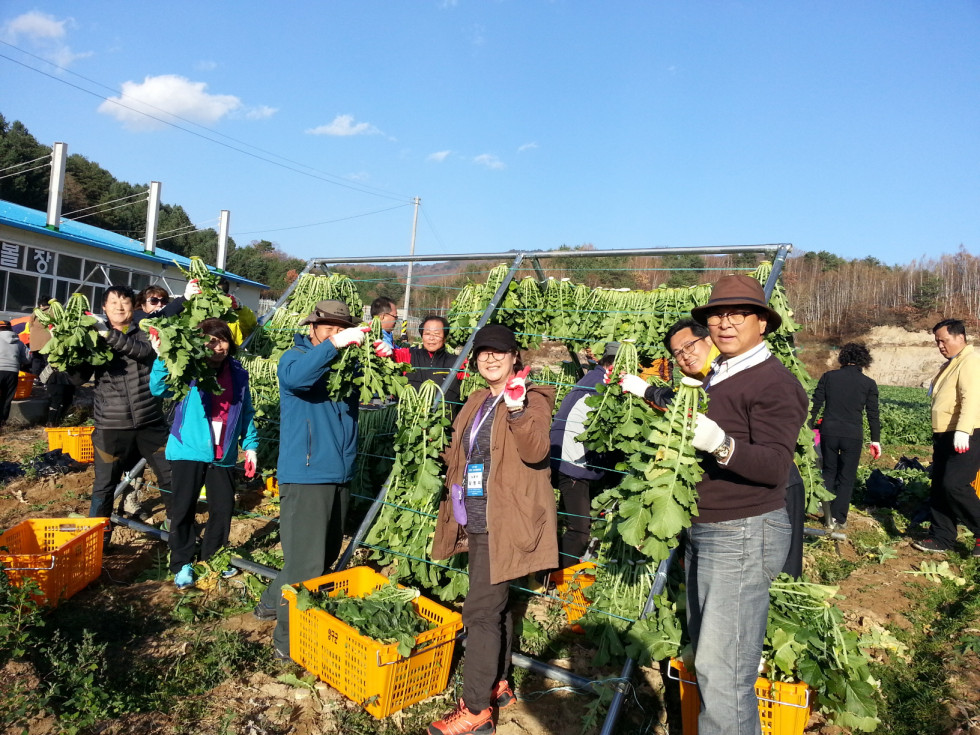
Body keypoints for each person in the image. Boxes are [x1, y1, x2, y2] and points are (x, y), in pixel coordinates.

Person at [683, 275, 807, 735]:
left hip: (743, 531)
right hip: (710, 528)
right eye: (717, 315)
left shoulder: (775, 383)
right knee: (712, 661)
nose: (725, 323)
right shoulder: (719, 374)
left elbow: (775, 466)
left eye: (738, 314)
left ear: (763, 323)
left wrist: (722, 445)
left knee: (724, 674)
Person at [428, 324, 556, 735]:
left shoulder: (533, 398)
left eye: (499, 351)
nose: (490, 358)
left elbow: (536, 450)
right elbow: (457, 449)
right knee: (495, 605)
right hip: (476, 515)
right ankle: (497, 684)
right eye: (483, 352)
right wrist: (429, 443)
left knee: (480, 610)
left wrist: (517, 410)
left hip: (505, 521)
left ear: (515, 356)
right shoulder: (478, 398)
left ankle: (475, 709)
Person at [253, 299, 367, 659]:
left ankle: (269, 602)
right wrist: (334, 345)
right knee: (308, 564)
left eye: (341, 328)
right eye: (328, 327)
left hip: (339, 471)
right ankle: (288, 641)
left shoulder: (346, 364)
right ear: (313, 327)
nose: (335, 333)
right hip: (307, 473)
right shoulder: (295, 358)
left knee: (322, 553)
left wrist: (382, 357)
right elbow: (296, 380)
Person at [149, 319, 259, 589]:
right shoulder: (188, 367)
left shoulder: (237, 372)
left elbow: (245, 411)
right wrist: (163, 357)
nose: (217, 347)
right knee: (183, 508)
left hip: (224, 453)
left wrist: (251, 446)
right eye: (210, 341)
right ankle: (182, 562)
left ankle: (213, 558)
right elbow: (159, 388)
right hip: (189, 449)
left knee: (223, 508)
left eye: (222, 340)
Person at [72, 286, 174, 545]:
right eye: (113, 302)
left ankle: (178, 531)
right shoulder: (92, 336)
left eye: (125, 302)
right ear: (104, 308)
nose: (119, 307)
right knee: (104, 485)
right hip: (111, 425)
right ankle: (98, 543)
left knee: (170, 475)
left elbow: (144, 353)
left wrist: (108, 334)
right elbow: (77, 378)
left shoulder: (146, 331)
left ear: (133, 306)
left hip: (150, 421)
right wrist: (68, 351)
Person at [911, 318, 980, 558]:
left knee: (955, 485)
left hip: (965, 434)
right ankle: (942, 537)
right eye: (937, 342)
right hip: (944, 434)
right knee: (940, 486)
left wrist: (964, 430)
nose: (940, 346)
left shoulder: (970, 361)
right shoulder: (951, 363)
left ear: (960, 337)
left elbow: (972, 397)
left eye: (944, 340)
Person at [550, 342, 620, 567]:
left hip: (564, 458)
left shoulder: (593, 378)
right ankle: (554, 577)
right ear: (613, 366)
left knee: (568, 520)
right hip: (572, 465)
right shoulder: (603, 386)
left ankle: (548, 572)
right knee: (579, 531)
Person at [809, 343, 881, 530]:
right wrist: (875, 440)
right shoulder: (868, 383)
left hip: (829, 432)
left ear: (843, 358)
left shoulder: (829, 377)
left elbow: (815, 405)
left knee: (829, 471)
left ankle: (824, 510)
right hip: (852, 435)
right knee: (847, 477)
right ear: (864, 360)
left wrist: (807, 429)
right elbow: (873, 414)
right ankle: (838, 518)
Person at [393, 315, 462, 410]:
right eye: (427, 333)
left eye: (437, 334)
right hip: (411, 417)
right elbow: (387, 354)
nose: (431, 338)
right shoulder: (408, 355)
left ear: (445, 338)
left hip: (445, 418)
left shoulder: (458, 362)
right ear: (422, 337)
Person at [0, 320, 30, 434]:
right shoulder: (19, 342)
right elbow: (27, 359)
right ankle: (2, 423)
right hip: (12, 372)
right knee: (6, 399)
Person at [219, 278, 257, 345]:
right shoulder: (201, 311)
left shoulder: (234, 317)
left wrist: (240, 308)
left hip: (232, 350)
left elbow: (251, 328)